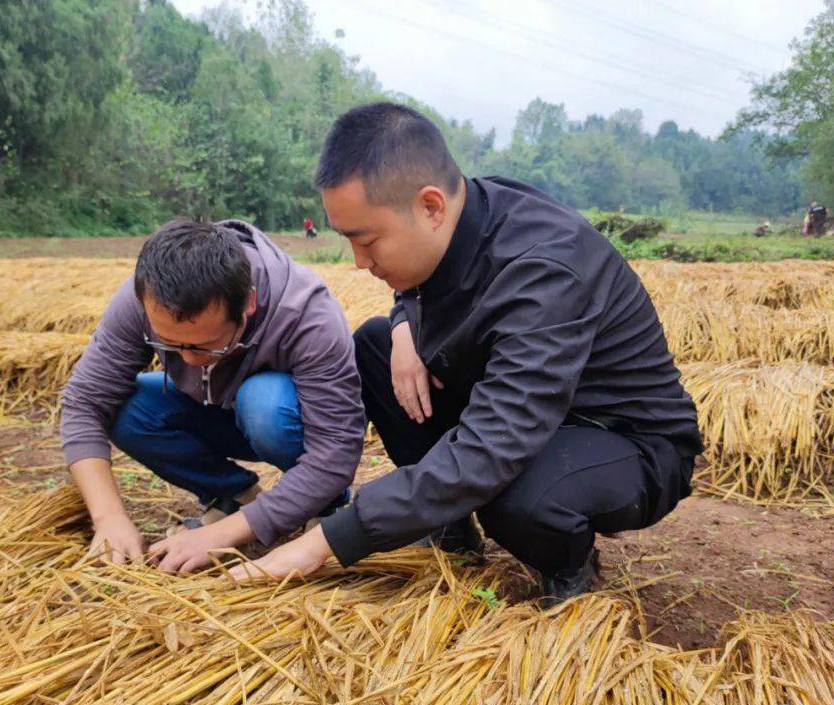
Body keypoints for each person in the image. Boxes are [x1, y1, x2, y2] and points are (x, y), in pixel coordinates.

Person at [230, 103, 704, 605]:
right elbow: (412, 290)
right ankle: (450, 529)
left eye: (366, 241)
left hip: (622, 437)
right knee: (373, 345)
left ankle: (568, 562)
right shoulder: (462, 211)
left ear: (431, 207)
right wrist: (404, 329)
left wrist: (326, 540)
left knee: (514, 497)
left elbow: (495, 445)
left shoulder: (545, 269)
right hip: (531, 412)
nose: (359, 262)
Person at [60, 219, 365, 572]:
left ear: (248, 304)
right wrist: (109, 517)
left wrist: (220, 536)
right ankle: (232, 495)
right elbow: (84, 401)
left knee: (263, 404)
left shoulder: (306, 314)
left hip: (284, 422)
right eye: (170, 344)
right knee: (126, 406)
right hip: (211, 411)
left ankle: (323, 504)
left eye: (207, 345)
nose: (187, 358)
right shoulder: (145, 298)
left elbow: (335, 451)